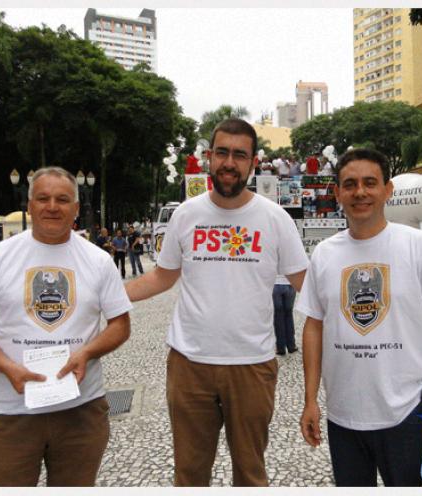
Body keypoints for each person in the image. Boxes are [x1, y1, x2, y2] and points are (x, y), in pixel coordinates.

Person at [125, 118, 308, 486]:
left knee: (251, 474)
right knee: (190, 474)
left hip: (252, 365)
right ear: (209, 157)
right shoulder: (186, 214)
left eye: (239, 155)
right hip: (190, 364)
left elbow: (307, 283)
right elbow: (163, 276)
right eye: (222, 153)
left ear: (253, 162)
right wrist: (105, 297)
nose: (229, 163)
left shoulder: (275, 219)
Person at [297, 148, 422, 487]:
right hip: (343, 416)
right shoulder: (324, 255)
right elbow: (314, 327)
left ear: (387, 190)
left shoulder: (419, 246)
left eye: (370, 183)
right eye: (350, 184)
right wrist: (310, 400)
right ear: (338, 193)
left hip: (406, 414)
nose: (360, 192)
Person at [0, 166, 132, 487]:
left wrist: (87, 352)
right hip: (12, 412)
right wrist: (7, 367)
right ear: (29, 205)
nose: (52, 207)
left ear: (75, 208)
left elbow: (120, 324)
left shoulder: (98, 260)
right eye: (43, 198)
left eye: (62, 199)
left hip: (81, 410)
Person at [273, 275, 298, 356]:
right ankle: (292, 346)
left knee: (278, 317)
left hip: (275, 284)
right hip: (290, 284)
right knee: (289, 314)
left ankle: (280, 348)